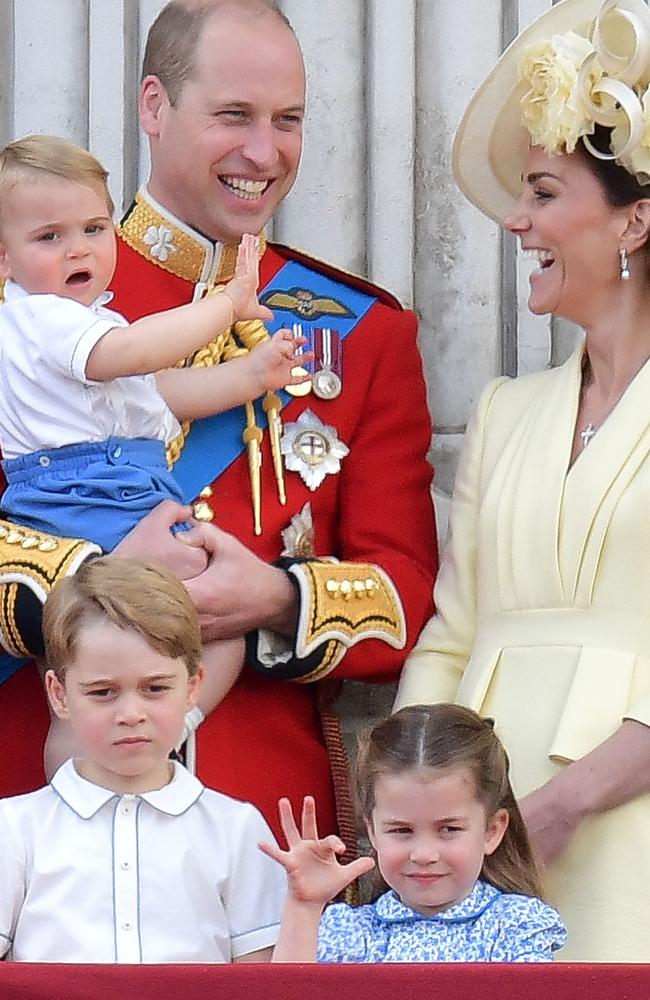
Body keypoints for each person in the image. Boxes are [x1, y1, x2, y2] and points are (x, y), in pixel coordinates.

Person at [0, 0, 437, 846]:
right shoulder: (31, 302)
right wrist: (96, 571)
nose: (263, 152)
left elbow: (406, 599)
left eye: (288, 121)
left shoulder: (364, 331)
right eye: (233, 115)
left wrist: (274, 598)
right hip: (39, 813)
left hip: (262, 832)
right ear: (154, 107)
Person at [395, 0, 650, 962]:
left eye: (542, 192)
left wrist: (568, 801)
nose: (515, 219)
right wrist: (417, 807)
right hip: (481, 863)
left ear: (635, 218)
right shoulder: (507, 409)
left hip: (629, 835)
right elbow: (452, 634)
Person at [0, 133, 312, 773]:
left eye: (93, 227)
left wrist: (251, 377)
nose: (79, 248)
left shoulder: (90, 321)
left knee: (216, 632)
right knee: (102, 661)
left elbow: (164, 395)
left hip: (126, 488)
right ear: (3, 261)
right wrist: (228, 305)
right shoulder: (43, 320)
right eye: (49, 237)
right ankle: (76, 787)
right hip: (81, 501)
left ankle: (165, 737)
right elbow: (137, 356)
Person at [0, 556, 286, 962]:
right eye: (103, 692)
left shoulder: (236, 830)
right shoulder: (13, 830)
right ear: (59, 694)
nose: (131, 713)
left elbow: (261, 979)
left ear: (192, 686)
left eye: (154, 688)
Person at [260, 704, 566, 963]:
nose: (423, 854)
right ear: (373, 831)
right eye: (402, 830)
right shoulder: (350, 932)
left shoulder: (516, 926)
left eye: (448, 829)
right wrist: (304, 906)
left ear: (491, 831)